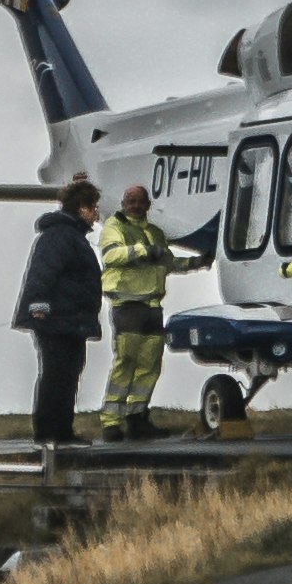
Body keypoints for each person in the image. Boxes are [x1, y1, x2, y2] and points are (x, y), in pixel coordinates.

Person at [95, 183, 202, 441]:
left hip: (152, 306)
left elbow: (167, 262)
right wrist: (144, 250)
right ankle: (111, 421)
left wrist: (197, 262)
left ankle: (137, 417)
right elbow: (111, 256)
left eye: (140, 201)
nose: (135, 206)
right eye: (130, 201)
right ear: (123, 204)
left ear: (148, 205)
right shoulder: (114, 227)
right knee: (126, 363)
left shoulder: (155, 232)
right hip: (127, 305)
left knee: (149, 366)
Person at [13, 181, 104, 447]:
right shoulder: (61, 236)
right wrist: (39, 305)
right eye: (93, 207)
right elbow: (43, 272)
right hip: (57, 321)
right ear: (82, 207)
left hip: (70, 320)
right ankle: (49, 432)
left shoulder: (71, 236)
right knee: (57, 374)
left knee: (67, 374)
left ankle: (61, 430)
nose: (96, 213)